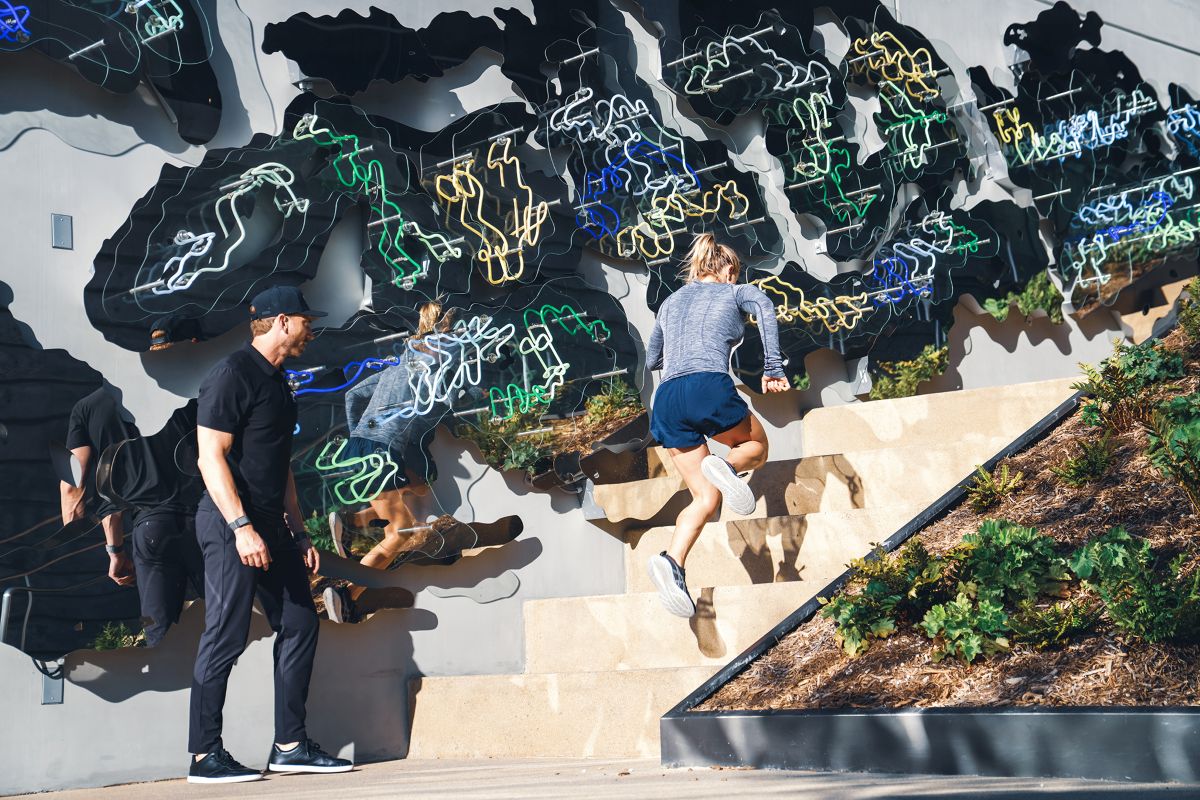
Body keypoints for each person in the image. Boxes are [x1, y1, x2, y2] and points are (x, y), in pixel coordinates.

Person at [187, 285, 352, 784]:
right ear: (283, 321)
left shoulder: (280, 383)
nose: (312, 328)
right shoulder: (232, 375)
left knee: (301, 622)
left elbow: (279, 469)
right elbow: (209, 456)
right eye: (307, 320)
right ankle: (202, 755)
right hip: (228, 523)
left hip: (272, 526)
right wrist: (240, 527)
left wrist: (299, 533)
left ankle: (290, 745)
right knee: (226, 634)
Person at [644, 234, 789, 617]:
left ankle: (672, 562)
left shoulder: (670, 303)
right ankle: (727, 466)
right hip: (706, 384)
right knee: (757, 448)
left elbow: (652, 358)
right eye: (734, 272)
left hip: (667, 402)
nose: (734, 277)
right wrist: (773, 367)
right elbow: (765, 306)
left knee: (706, 498)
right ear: (726, 269)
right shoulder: (735, 290)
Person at [323, 301, 452, 623]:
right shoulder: (429, 370)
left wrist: (361, 434)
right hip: (383, 452)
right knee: (401, 533)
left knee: (420, 488)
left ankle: (351, 523)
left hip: (366, 447)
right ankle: (347, 594)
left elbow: (352, 395)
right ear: (443, 336)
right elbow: (439, 410)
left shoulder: (396, 366)